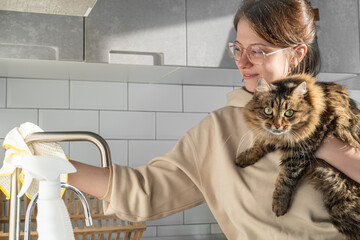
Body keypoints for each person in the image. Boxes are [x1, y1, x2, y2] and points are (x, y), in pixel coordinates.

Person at [68, 0, 360, 239]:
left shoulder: (340, 110)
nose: (243, 62)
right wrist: (54, 164)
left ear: (296, 54)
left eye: (257, 51)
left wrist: (326, 146)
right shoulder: (218, 130)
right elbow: (145, 191)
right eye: (237, 49)